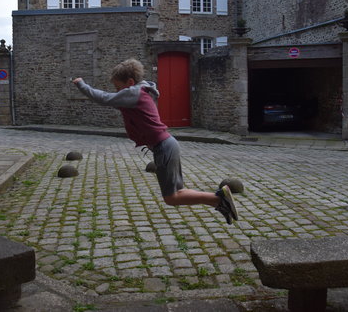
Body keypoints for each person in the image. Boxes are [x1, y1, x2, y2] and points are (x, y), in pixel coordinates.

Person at [72, 58, 238, 224]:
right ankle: (219, 203)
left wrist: (81, 84)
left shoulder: (133, 93)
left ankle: (218, 198)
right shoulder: (137, 94)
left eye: (118, 88)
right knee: (177, 191)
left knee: (171, 197)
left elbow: (104, 98)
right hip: (167, 145)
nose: (117, 92)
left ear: (130, 82)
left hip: (164, 147)